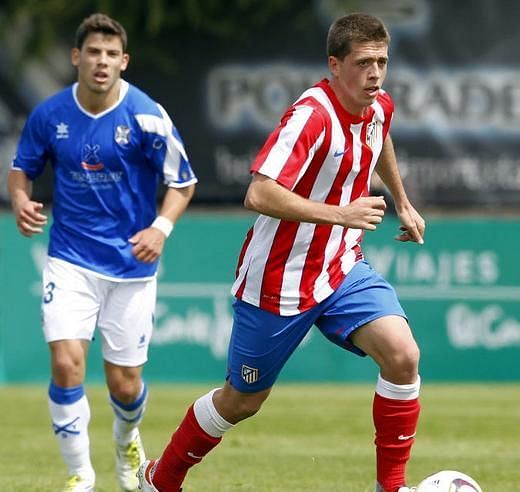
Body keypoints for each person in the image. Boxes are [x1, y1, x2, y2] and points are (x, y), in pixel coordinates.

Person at [138, 12, 425, 492]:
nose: (375, 73)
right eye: (363, 63)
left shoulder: (377, 107)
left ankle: (391, 488)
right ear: (335, 65)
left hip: (341, 266)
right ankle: (161, 478)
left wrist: (403, 201)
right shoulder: (310, 116)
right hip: (278, 279)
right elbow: (259, 193)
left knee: (403, 355)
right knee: (242, 401)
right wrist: (341, 214)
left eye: (382, 62)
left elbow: (380, 138)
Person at [7, 13, 196, 492]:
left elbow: (183, 181)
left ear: (124, 61)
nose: (102, 61)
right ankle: (79, 475)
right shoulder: (49, 115)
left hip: (132, 266)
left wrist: (161, 227)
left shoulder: (146, 114)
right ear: (77, 57)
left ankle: (127, 440)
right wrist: (20, 200)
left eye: (112, 54)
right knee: (67, 363)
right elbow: (20, 168)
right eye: (93, 52)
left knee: (125, 385)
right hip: (70, 259)